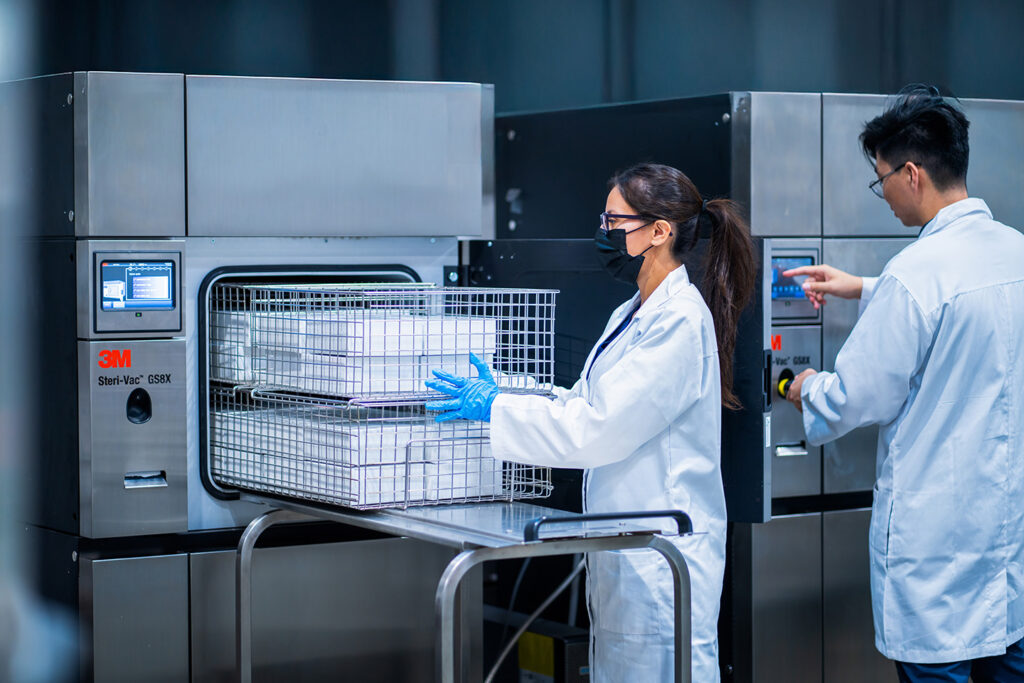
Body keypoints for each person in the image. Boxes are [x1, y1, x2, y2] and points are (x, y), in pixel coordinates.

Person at [426, 162, 756, 682]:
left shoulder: (680, 322)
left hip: (659, 563)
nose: (603, 233)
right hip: (628, 553)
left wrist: (498, 408)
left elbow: (597, 428)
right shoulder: (634, 312)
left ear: (659, 231)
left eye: (613, 222)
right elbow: (587, 400)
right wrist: (510, 390)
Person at [783, 86, 1024, 682]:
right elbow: (962, 312)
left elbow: (848, 401)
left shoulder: (914, 275)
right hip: (1006, 561)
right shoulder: (1014, 252)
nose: (883, 192)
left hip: (934, 565)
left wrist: (800, 384)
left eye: (881, 178)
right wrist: (866, 287)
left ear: (912, 174)